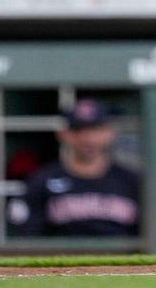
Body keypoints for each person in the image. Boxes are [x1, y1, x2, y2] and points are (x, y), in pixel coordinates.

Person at [8, 99, 140, 237]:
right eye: (78, 130)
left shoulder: (131, 180)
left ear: (109, 133)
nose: (87, 138)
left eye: (95, 129)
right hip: (63, 257)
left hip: (121, 257)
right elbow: (28, 234)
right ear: (63, 134)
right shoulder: (42, 180)